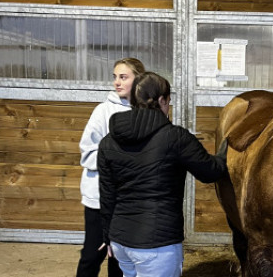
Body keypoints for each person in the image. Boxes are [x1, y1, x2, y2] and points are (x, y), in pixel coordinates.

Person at [98, 71, 229, 277]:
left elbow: (107, 195)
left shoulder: (107, 141)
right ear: (161, 100)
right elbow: (210, 172)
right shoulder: (175, 137)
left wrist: (108, 238)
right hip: (157, 245)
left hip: (121, 242)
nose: (168, 107)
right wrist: (224, 152)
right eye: (168, 101)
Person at [77, 58, 145, 277]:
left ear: (139, 80)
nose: (117, 82)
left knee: (119, 257)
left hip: (127, 199)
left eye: (123, 77)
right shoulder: (102, 111)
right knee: (92, 254)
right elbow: (87, 154)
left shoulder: (144, 113)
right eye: (115, 77)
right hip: (99, 199)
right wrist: (120, 160)